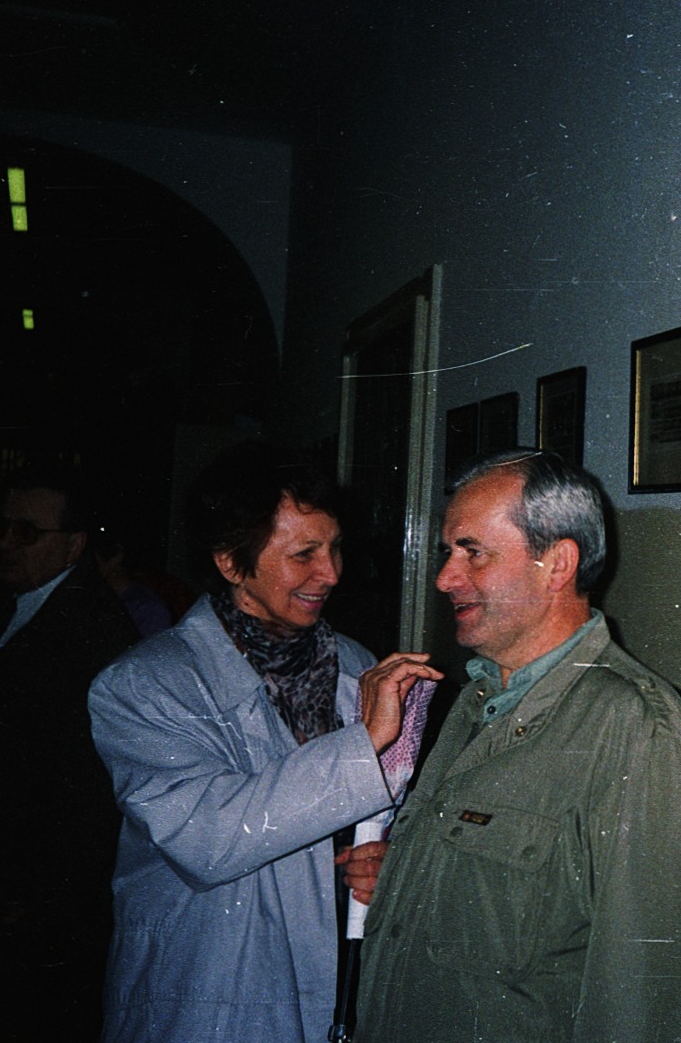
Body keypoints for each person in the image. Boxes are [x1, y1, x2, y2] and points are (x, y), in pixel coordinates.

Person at [352, 449, 681, 1043]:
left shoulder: (634, 728)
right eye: (448, 553)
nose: (445, 577)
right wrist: (417, 878)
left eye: (473, 552)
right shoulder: (473, 700)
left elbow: (641, 1001)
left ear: (557, 564)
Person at [88, 443, 438, 1042]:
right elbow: (209, 839)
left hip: (335, 978)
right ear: (230, 562)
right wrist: (363, 745)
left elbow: (388, 820)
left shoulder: (356, 665)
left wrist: (391, 863)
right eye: (304, 553)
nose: (330, 574)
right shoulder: (143, 684)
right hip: (213, 992)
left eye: (334, 549)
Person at [0, 464, 140, 1039]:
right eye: (1, 528)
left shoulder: (94, 633)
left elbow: (92, 785)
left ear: (74, 545)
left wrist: (37, 892)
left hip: (31, 908)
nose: (5, 543)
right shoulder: (1, 606)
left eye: (27, 532)